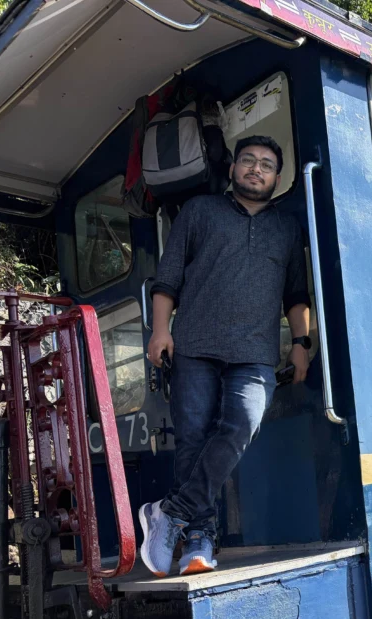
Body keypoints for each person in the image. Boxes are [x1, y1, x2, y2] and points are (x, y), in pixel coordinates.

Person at [139, 135, 311, 577]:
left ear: (277, 177)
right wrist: (160, 330)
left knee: (242, 423)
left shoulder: (287, 227)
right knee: (193, 442)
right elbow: (168, 277)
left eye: (267, 165)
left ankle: (170, 514)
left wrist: (301, 343)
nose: (257, 169)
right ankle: (199, 538)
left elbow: (296, 294)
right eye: (249, 161)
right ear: (233, 168)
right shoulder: (200, 212)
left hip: (254, 354)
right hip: (194, 345)